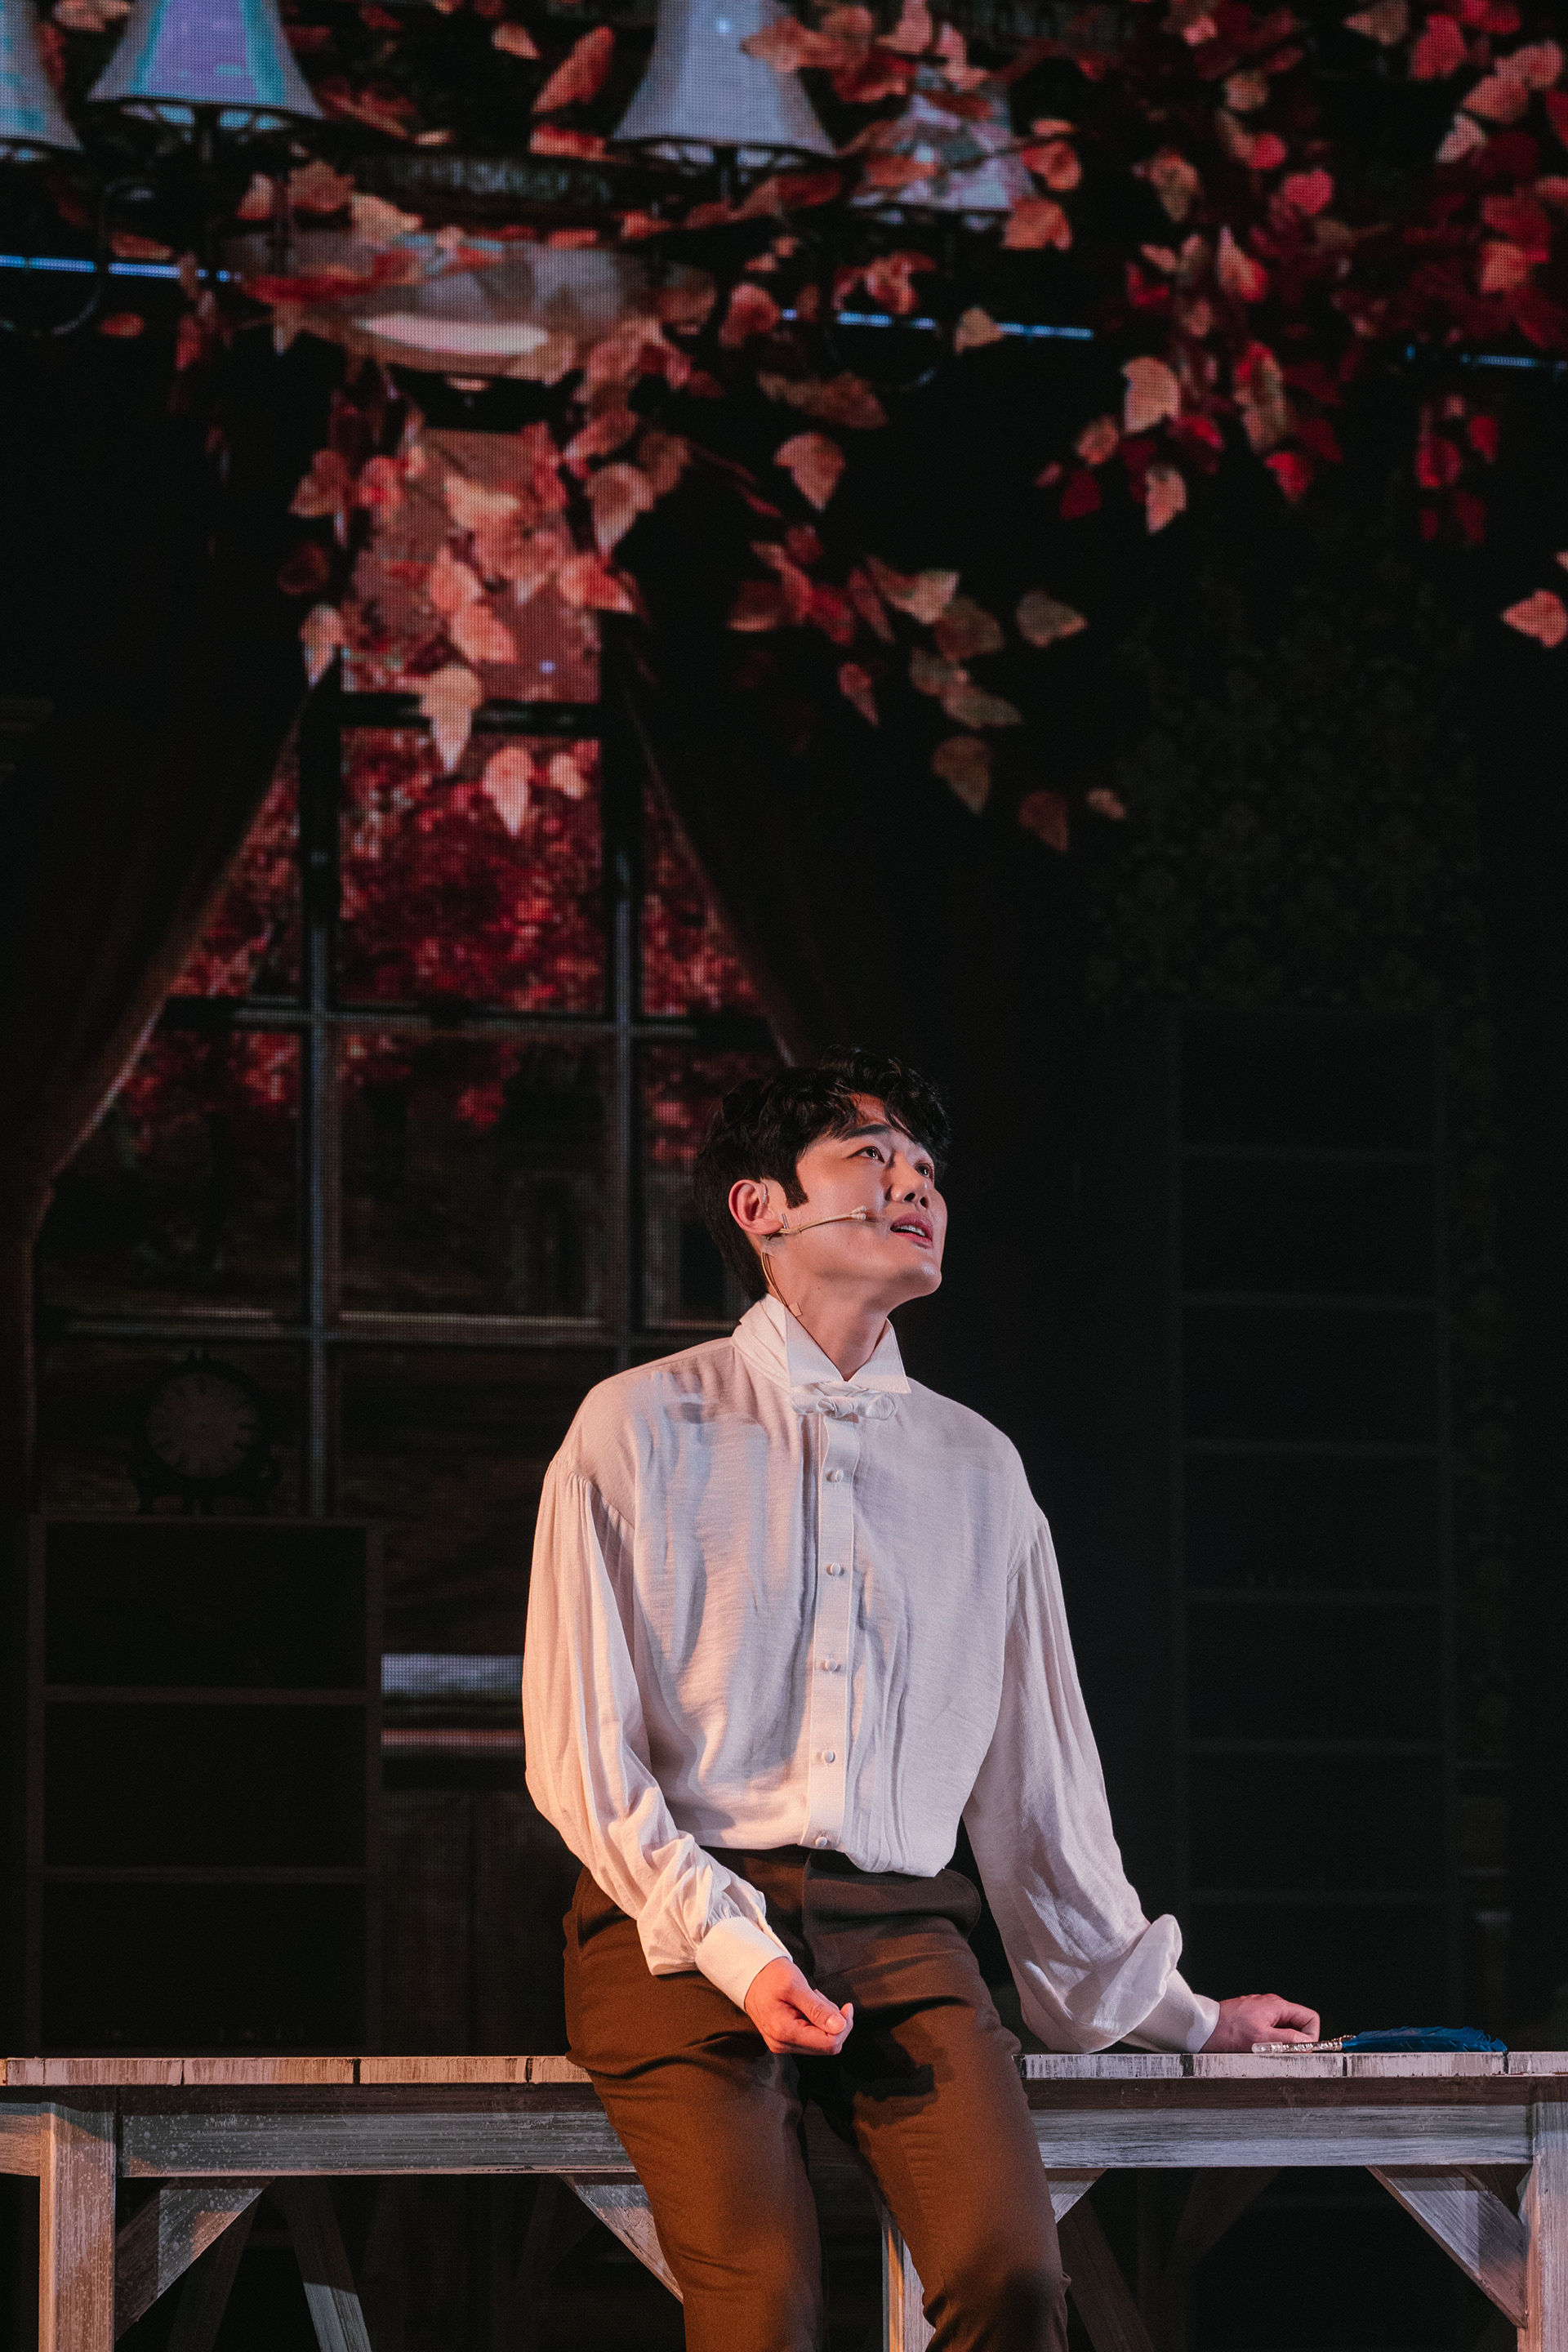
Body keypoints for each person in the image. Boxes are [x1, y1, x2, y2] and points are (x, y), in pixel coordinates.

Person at [523, 1045, 1318, 2352]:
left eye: (928, 1168)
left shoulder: (977, 1468)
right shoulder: (639, 1427)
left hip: (901, 1929)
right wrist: (738, 1953)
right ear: (761, 1208)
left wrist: (1185, 2016)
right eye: (870, 1158)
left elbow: (1039, 1794)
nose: (915, 1186)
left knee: (1015, 2280)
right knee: (762, 2308)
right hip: (676, 1926)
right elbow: (580, 1757)